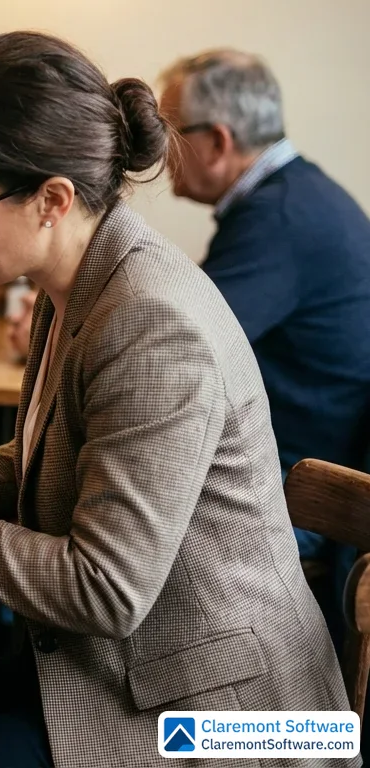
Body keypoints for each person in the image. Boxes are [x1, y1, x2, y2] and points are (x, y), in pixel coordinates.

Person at [0, 31, 352, 767]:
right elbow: (68, 455)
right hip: (141, 667)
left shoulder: (151, 322)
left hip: (225, 717)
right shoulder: (83, 276)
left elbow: (105, 589)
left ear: (52, 199)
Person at [158, 50, 370, 604]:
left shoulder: (279, 218)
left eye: (167, 131)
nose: (159, 151)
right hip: (308, 454)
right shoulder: (293, 198)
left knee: (95, 501)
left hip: (297, 488)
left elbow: (175, 345)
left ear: (218, 142)